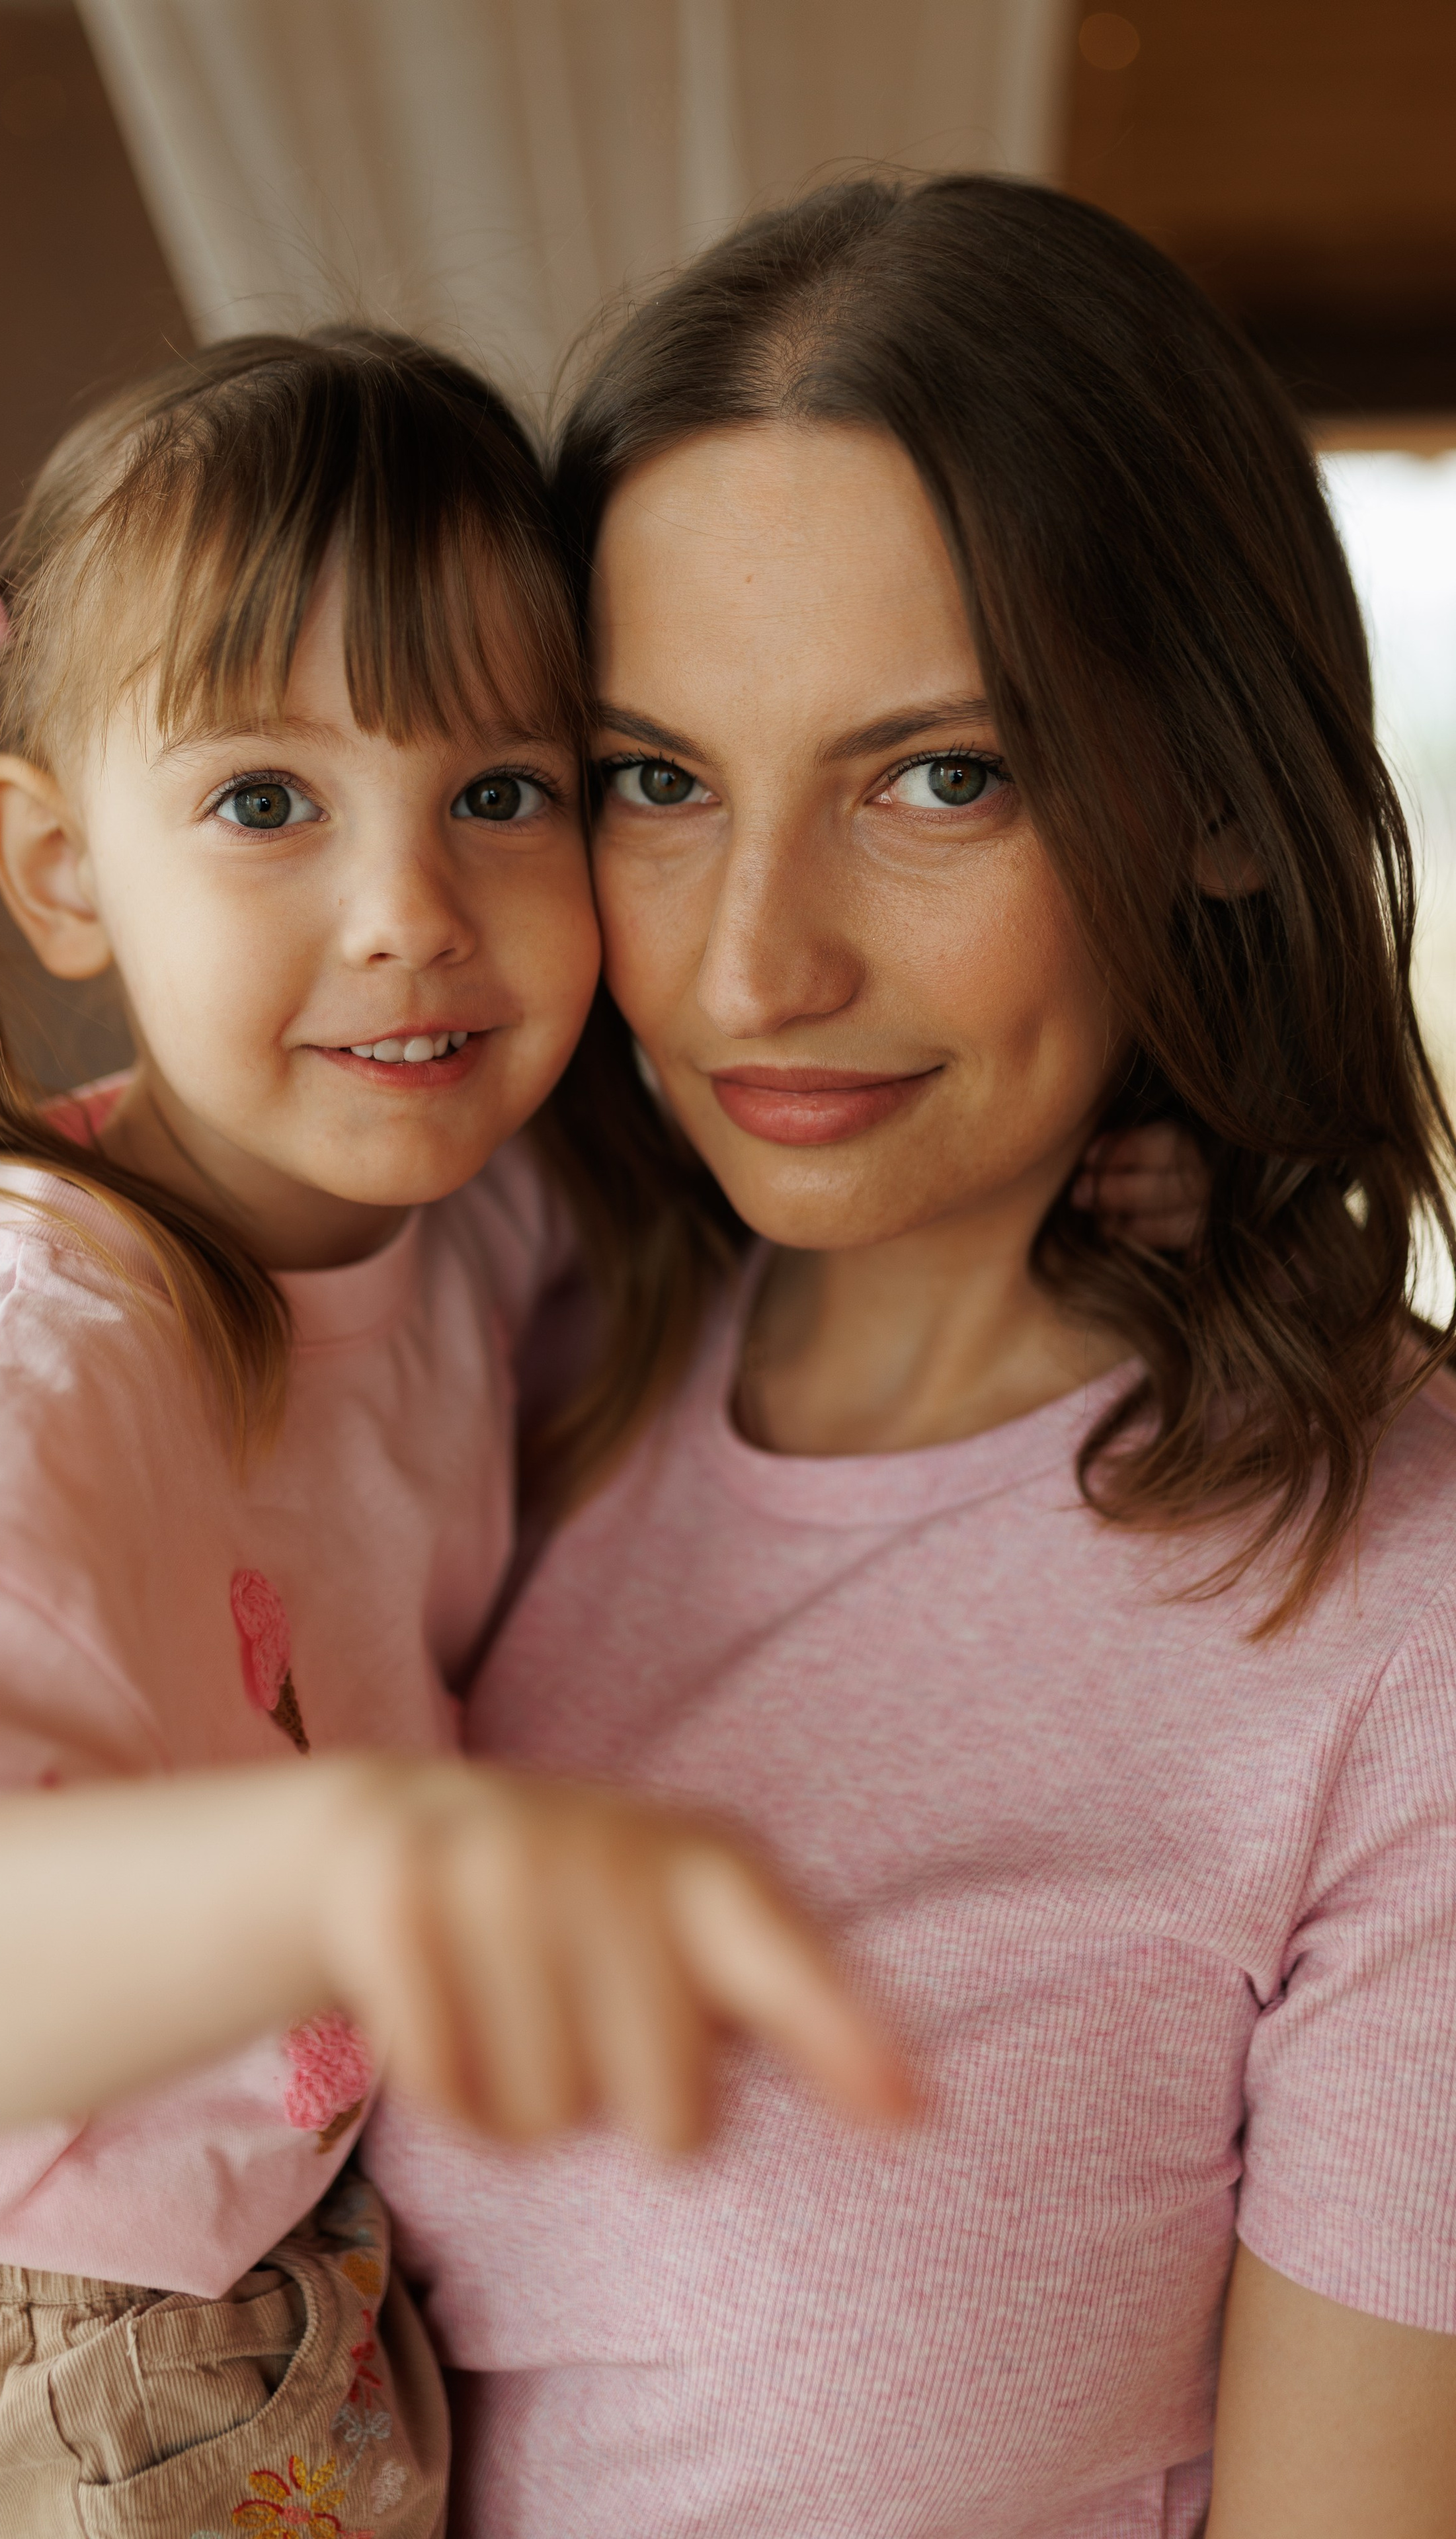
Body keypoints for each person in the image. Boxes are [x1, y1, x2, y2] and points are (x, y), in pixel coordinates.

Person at [362, 177, 1456, 2539]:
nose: (756, 967)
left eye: (937, 777)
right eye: (657, 779)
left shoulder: (1397, 1615)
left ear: (1227, 813)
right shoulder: (469, 1357)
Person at [0, 326, 914, 2539]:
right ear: (59, 863)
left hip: (281, 2272)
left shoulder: (468, 1202)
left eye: (506, 792)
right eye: (266, 802)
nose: (412, 914)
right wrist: (367, 1871)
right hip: (40, 2363)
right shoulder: (57, 1356)